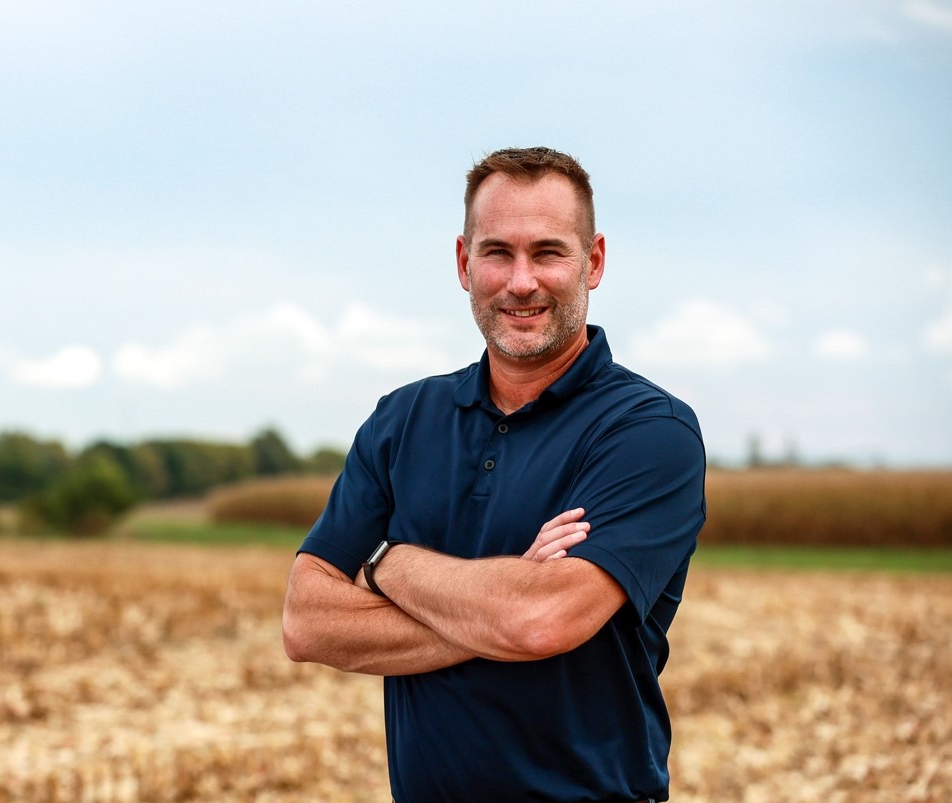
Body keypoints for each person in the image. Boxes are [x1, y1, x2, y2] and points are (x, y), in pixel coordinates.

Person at [281, 147, 706, 802]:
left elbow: (539, 621)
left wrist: (386, 563)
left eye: (548, 252)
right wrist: (494, 606)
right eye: (498, 252)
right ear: (463, 263)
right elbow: (306, 622)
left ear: (593, 261)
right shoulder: (402, 421)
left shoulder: (648, 432)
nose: (521, 281)